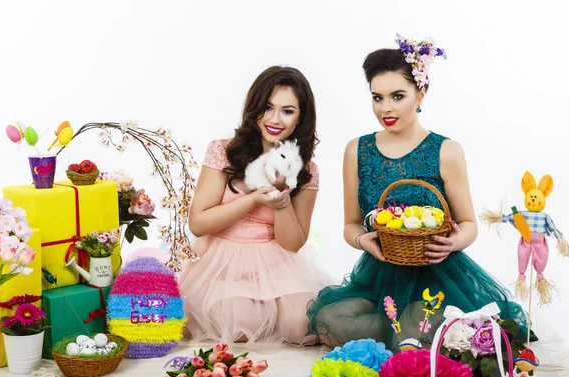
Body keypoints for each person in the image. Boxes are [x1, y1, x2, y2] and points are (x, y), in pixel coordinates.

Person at [306, 35, 533, 349]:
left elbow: (468, 224)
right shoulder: (356, 150)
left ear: (421, 93)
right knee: (330, 320)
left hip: (439, 277)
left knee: (412, 330)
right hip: (379, 276)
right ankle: (405, 335)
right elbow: (351, 224)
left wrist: (453, 242)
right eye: (377, 97)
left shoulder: (446, 151)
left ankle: (420, 334)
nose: (385, 108)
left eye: (397, 96)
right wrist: (363, 241)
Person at [178, 65, 333, 345]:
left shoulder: (306, 169)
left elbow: (292, 245)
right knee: (241, 326)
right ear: (255, 109)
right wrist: (253, 199)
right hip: (222, 262)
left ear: (301, 118)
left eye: (287, 111)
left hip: (276, 264)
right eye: (268, 107)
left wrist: (281, 203)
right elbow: (198, 224)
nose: (275, 119)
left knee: (302, 325)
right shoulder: (223, 152)